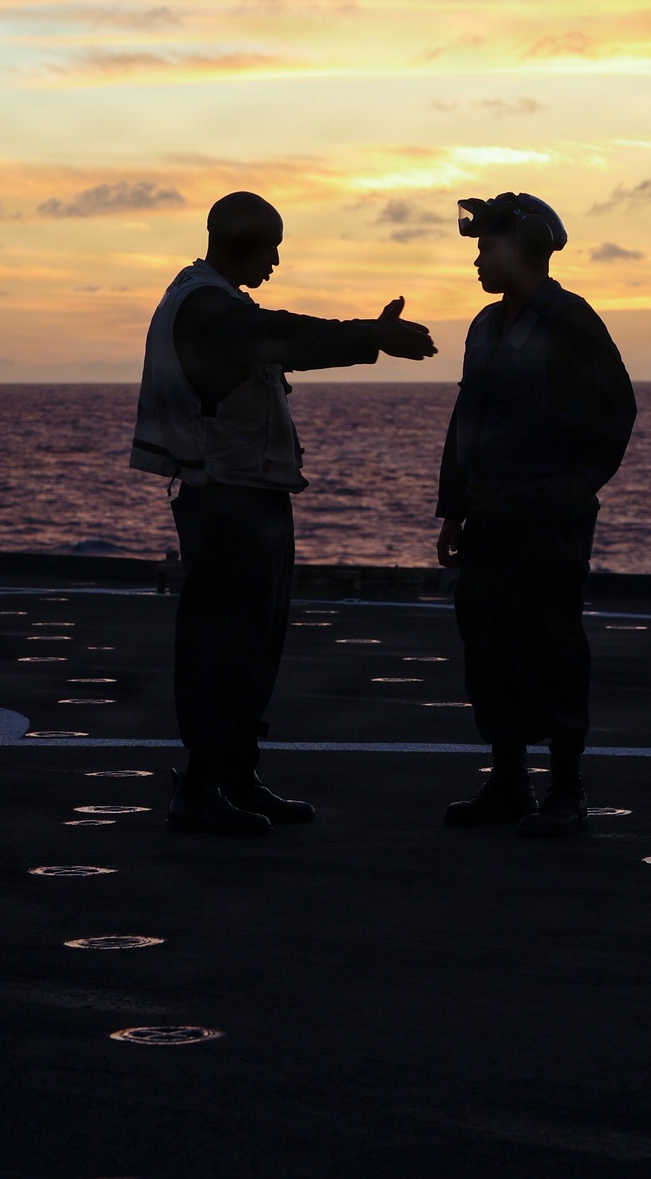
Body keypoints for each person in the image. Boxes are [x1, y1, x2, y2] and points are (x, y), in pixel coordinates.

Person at [131, 191, 437, 836]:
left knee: (255, 645)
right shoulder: (208, 307)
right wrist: (373, 337)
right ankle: (201, 787)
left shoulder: (214, 301)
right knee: (224, 646)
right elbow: (283, 335)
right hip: (226, 501)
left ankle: (236, 778)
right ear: (241, 241)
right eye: (269, 246)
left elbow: (275, 330)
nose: (275, 260)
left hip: (248, 496)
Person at [436, 193, 636, 837]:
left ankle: (567, 790)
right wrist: (452, 511)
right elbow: (464, 420)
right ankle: (509, 783)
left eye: (487, 248)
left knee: (550, 645)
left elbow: (616, 413)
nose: (477, 260)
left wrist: (571, 491)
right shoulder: (483, 327)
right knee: (489, 647)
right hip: (489, 515)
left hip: (546, 521)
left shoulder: (571, 322)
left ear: (523, 249)